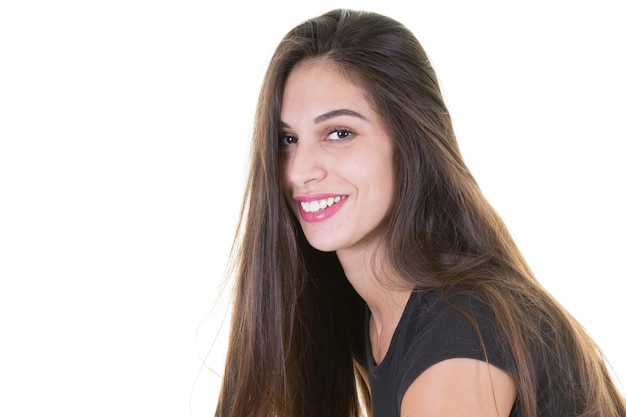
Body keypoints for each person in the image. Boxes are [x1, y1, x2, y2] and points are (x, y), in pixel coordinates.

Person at [214, 8, 626, 417]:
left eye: (340, 133)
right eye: (287, 139)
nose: (301, 170)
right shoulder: (373, 313)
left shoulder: (457, 341)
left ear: (410, 143)